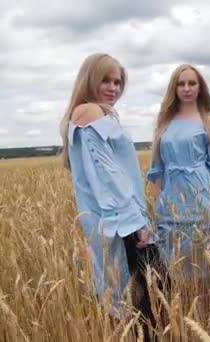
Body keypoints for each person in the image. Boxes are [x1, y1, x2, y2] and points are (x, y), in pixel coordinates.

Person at [59, 53, 165, 337]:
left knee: (136, 301)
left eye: (118, 82)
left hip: (118, 219)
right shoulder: (89, 113)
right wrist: (138, 224)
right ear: (89, 80)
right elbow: (108, 177)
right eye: (105, 80)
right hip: (121, 224)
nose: (113, 88)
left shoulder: (91, 113)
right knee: (147, 302)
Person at [147, 64, 210, 281]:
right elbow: (157, 168)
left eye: (192, 83)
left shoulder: (209, 120)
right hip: (171, 201)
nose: (186, 88)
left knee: (204, 260)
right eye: (181, 84)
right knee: (173, 262)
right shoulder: (164, 121)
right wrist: (160, 199)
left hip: (201, 198)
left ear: (200, 88)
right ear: (174, 89)